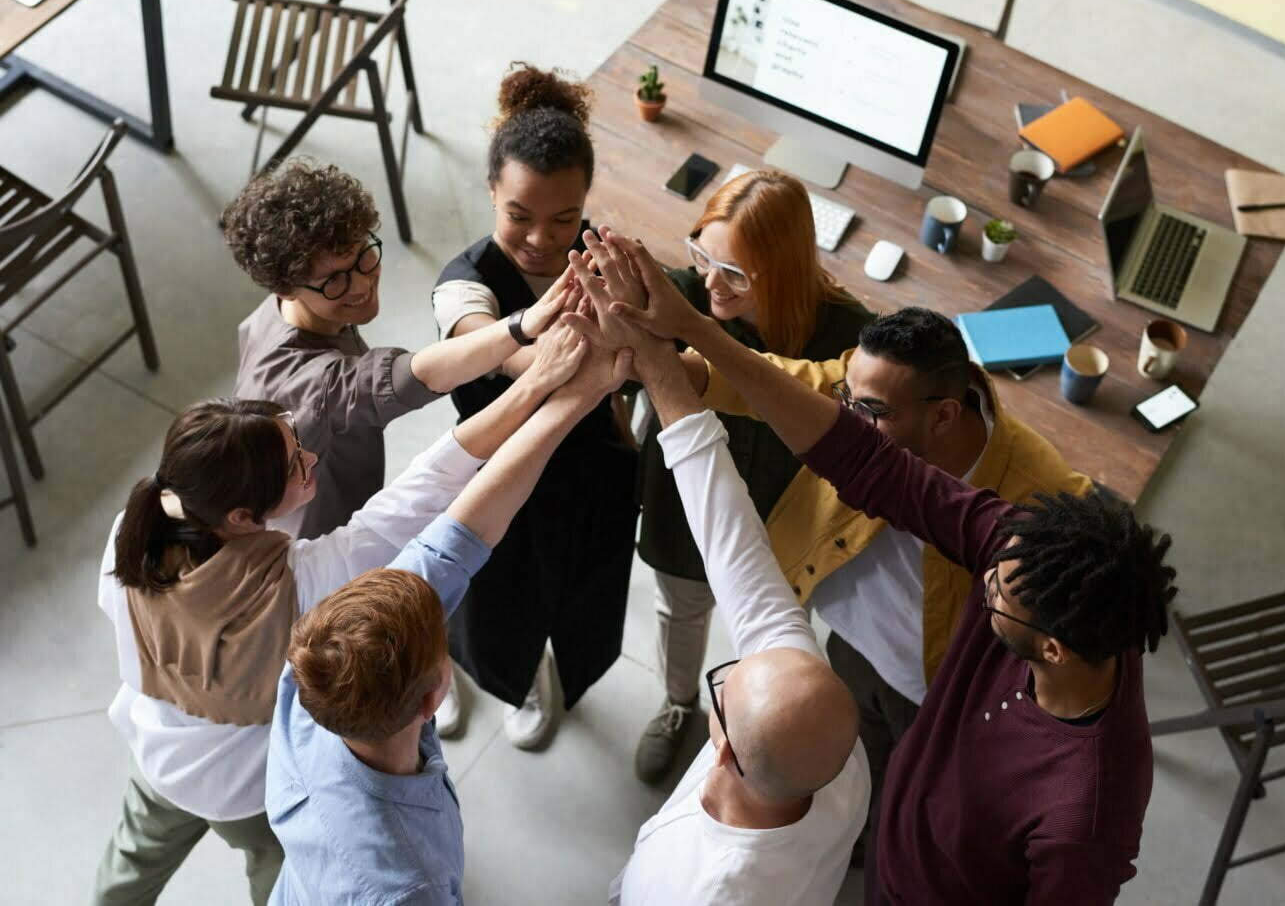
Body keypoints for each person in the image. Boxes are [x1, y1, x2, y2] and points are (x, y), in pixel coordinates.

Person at [584, 230, 1179, 904]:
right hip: (893, 827)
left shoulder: (1088, 811)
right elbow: (862, 459)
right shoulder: (1028, 549)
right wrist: (685, 335)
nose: (983, 576)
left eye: (996, 595)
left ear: (1049, 647)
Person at [91, 326, 586, 905]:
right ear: (246, 516)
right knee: (281, 875)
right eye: (296, 465)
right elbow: (425, 490)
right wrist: (536, 385)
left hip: (158, 754)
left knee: (127, 871)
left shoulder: (135, 530)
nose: (311, 460)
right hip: (246, 788)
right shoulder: (304, 585)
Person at [692, 307, 1092, 878]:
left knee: (907, 808)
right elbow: (778, 381)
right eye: (846, 398)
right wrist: (684, 368)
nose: (845, 422)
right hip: (850, 646)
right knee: (852, 762)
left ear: (946, 415)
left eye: (870, 413)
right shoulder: (867, 391)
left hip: (928, 691)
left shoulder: (1038, 493)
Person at [266, 336, 630, 905]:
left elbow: (459, 534)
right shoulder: (409, 884)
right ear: (435, 695)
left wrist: (579, 395)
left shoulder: (312, 678)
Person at [226, 160, 575, 738]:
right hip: (326, 549)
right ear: (286, 284)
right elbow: (407, 377)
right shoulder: (302, 381)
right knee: (402, 612)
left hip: (347, 518)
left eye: (364, 254)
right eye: (334, 280)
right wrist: (523, 327)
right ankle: (429, 675)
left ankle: (440, 667)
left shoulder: (276, 314)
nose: (361, 282)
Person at [564, 249, 868, 906]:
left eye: (720, 688)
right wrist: (658, 365)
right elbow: (736, 549)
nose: (733, 668)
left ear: (721, 746)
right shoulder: (837, 761)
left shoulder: (706, 891)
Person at [632, 170, 871, 785]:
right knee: (680, 612)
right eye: (701, 255)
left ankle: (752, 735)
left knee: (771, 646)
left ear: (785, 271)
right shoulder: (679, 296)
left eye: (733, 272)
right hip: (686, 513)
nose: (709, 281)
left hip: (788, 530)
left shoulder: (850, 340)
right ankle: (679, 703)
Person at [429, 62, 636, 749]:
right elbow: (486, 345)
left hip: (587, 472)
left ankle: (542, 682)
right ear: (491, 190)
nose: (543, 239)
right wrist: (555, 360)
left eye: (564, 218)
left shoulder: (609, 260)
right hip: (495, 471)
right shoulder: (464, 286)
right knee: (482, 598)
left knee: (579, 598)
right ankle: (450, 674)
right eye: (519, 215)